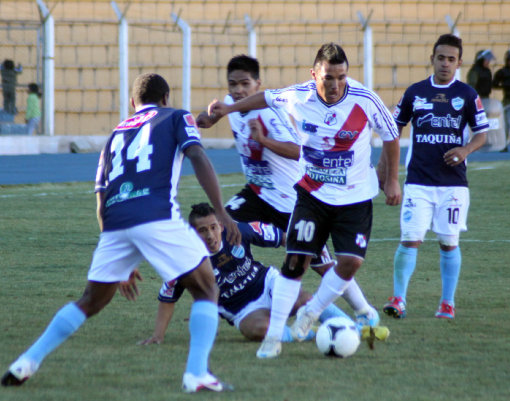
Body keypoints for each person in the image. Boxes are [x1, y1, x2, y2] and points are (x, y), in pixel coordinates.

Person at [1, 73, 240, 393]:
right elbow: (196, 155)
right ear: (166, 98)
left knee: (90, 301)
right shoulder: (177, 115)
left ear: (132, 104)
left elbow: (101, 196)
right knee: (206, 287)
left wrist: (121, 257)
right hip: (156, 214)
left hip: (114, 222)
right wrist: (221, 211)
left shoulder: (115, 134)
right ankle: (196, 373)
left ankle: (27, 360)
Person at [208, 43, 402, 358]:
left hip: (349, 197)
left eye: (341, 76)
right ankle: (268, 331)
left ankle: (331, 310)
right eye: (328, 77)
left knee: (345, 263)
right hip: (308, 194)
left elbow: (391, 134)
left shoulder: (364, 99)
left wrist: (391, 178)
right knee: (292, 261)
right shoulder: (297, 96)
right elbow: (268, 96)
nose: (335, 84)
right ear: (315, 75)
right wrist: (225, 111)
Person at [120, 202, 355, 345]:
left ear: (221, 225)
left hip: (267, 283)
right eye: (202, 231)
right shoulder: (185, 260)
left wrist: (303, 250)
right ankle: (316, 334)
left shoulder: (238, 232)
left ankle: (350, 326)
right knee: (258, 330)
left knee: (305, 300)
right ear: (192, 234)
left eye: (213, 227)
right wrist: (158, 335)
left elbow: (283, 238)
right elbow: (167, 298)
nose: (210, 235)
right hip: (242, 310)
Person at [381, 34, 488, 320]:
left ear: (459, 63)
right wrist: (387, 172)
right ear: (432, 59)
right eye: (440, 58)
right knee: (409, 239)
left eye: (451, 59)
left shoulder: (467, 95)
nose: (445, 64)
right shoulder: (415, 92)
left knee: (448, 241)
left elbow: (482, 133)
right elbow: (393, 130)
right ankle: (398, 298)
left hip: (453, 185)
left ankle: (447, 302)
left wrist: (465, 149)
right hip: (418, 182)